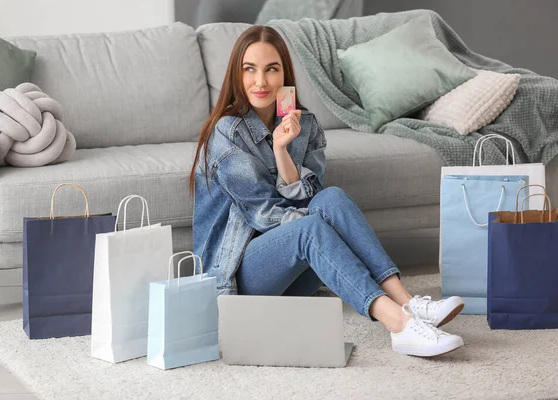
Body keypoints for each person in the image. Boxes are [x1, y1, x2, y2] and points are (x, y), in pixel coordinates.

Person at [190, 25, 465, 357]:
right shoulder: (227, 133)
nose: (260, 82)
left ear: (285, 74)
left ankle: (407, 301)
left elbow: (313, 197)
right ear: (237, 74)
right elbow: (263, 214)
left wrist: (281, 150)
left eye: (271, 69)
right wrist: (322, 224)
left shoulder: (304, 126)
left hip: (295, 278)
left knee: (331, 197)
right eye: (249, 69)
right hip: (238, 280)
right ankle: (399, 324)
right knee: (312, 225)